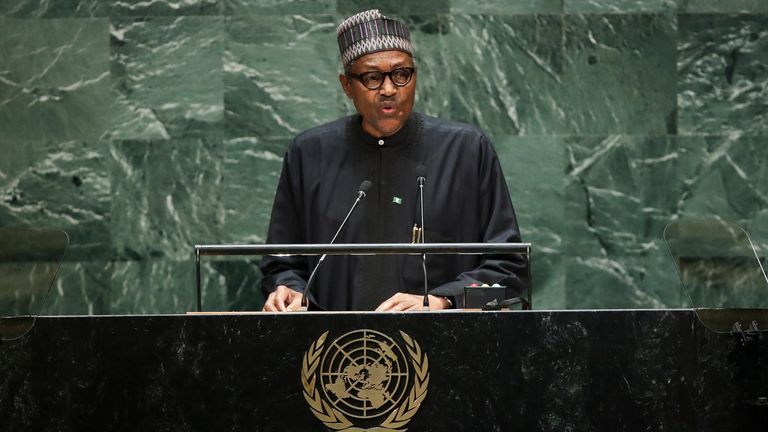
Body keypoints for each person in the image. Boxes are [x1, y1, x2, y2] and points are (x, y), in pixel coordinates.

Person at [261, 9, 527, 312]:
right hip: (333, 353)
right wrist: (290, 293)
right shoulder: (308, 154)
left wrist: (444, 301)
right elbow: (279, 266)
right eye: (372, 77)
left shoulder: (466, 150)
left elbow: (510, 277)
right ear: (347, 85)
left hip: (448, 350)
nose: (389, 90)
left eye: (401, 75)